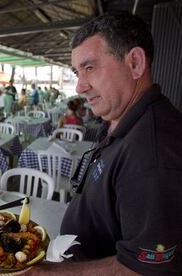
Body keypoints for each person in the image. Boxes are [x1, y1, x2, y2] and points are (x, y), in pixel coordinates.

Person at [27, 13, 182, 275]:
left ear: (134, 63)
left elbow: (144, 269)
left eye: (89, 67)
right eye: (77, 72)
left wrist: (45, 273)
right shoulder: (119, 117)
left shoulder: (153, 156)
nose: (79, 86)